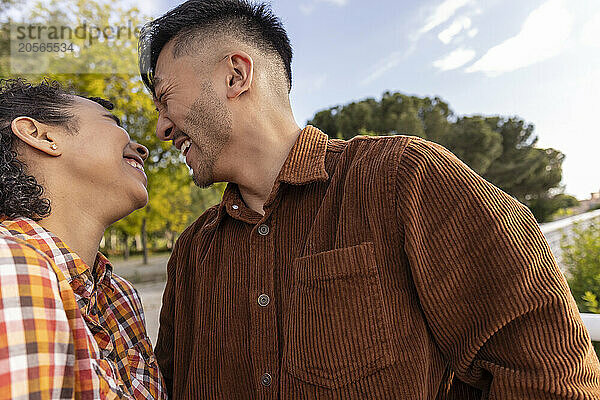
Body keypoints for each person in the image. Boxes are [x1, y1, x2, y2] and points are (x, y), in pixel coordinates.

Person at [138, 0, 600, 398]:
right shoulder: (192, 255)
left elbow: (550, 371)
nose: (161, 128)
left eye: (164, 99)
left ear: (235, 75)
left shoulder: (406, 179)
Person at [0, 79, 166, 399]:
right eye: (112, 123)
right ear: (42, 136)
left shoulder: (119, 295)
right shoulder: (13, 268)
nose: (142, 147)